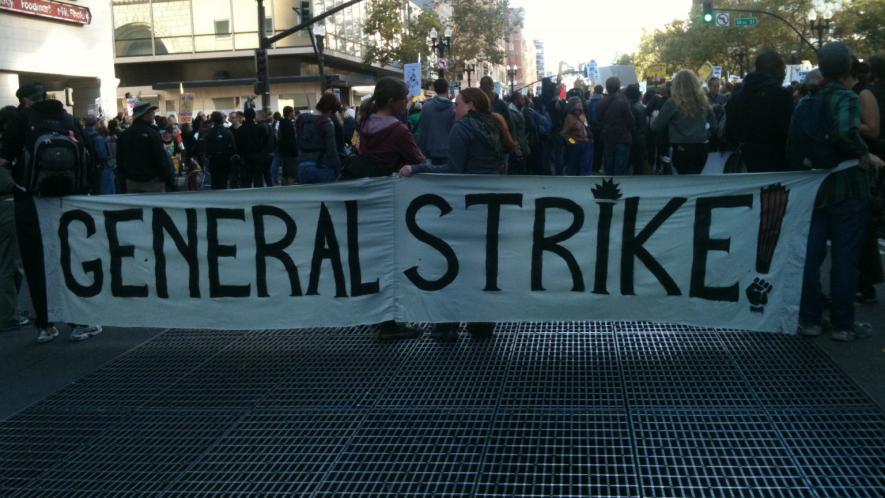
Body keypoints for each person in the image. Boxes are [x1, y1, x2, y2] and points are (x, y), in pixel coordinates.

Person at [790, 42, 885, 342]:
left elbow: (794, 144)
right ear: (847, 68)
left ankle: (810, 319)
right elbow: (846, 132)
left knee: (811, 256)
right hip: (848, 188)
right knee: (845, 257)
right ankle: (843, 325)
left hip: (814, 188)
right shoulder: (846, 98)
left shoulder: (807, 101)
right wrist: (864, 154)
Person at [400, 87, 502, 341]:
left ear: (471, 105)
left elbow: (453, 169)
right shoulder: (495, 126)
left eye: (458, 104)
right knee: (481, 266)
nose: (454, 109)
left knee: (451, 264)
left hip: (463, 206)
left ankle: (447, 324)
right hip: (489, 206)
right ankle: (482, 322)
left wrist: (417, 169)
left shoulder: (462, 129)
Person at [0, 83, 96, 342]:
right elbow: (89, 156)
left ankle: (45, 324)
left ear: (26, 100)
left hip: (30, 201)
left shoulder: (22, 120)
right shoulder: (68, 120)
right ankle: (78, 322)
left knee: (35, 263)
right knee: (69, 259)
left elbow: (4, 160)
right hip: (67, 201)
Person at [357, 77, 425, 340]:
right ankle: (390, 323)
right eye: (403, 98)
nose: (406, 103)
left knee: (376, 260)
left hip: (369, 200)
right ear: (391, 101)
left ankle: (378, 316)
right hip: (393, 202)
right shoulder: (398, 131)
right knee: (395, 261)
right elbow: (418, 160)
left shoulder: (365, 124)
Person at [849, 58, 883, 304]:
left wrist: (844, 121)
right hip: (867, 161)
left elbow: (872, 129)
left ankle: (866, 283)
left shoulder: (864, 93)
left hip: (872, 162)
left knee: (865, 225)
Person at [725, 51, 794, 172]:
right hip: (777, 164)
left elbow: (730, 132)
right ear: (775, 69)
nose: (784, 74)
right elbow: (790, 132)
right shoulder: (781, 95)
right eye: (783, 70)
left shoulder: (737, 97)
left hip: (746, 163)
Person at [651, 70, 717, 175]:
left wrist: (654, 117)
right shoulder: (704, 101)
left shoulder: (673, 102)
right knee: (695, 177)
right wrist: (705, 135)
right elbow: (714, 126)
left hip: (681, 148)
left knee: (682, 179)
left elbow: (656, 126)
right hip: (702, 147)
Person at [117, 101, 170, 193]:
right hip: (153, 183)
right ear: (145, 114)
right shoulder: (152, 133)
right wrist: (164, 177)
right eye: (152, 112)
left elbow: (119, 159)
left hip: (131, 182)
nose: (154, 114)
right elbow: (160, 158)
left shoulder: (125, 134)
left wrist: (126, 177)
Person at [295, 93, 342, 184]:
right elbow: (332, 151)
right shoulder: (327, 124)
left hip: (302, 166)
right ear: (329, 110)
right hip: (321, 167)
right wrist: (338, 170)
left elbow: (298, 143)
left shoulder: (301, 119)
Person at [597, 77, 634, 175]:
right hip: (622, 138)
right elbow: (630, 120)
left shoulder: (601, 102)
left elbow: (599, 120)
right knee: (620, 168)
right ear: (618, 87)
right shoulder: (623, 101)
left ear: (607, 87)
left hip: (608, 138)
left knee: (609, 166)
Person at [417, 78, 455, 166]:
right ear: (447, 89)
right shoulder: (454, 108)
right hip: (449, 152)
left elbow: (423, 130)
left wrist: (421, 152)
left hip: (430, 151)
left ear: (435, 89)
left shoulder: (426, 107)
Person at [201, 111, 237, 189]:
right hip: (225, 159)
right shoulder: (228, 132)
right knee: (224, 180)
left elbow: (206, 148)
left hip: (213, 159)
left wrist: (208, 156)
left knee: (214, 181)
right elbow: (233, 147)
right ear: (222, 119)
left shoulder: (209, 132)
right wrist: (230, 156)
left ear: (213, 120)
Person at [561, 97, 593, 175]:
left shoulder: (582, 115)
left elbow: (586, 127)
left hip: (586, 144)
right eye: (577, 102)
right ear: (573, 105)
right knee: (574, 168)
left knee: (585, 168)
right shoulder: (569, 117)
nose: (580, 104)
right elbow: (564, 134)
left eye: (580, 102)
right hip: (576, 145)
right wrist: (573, 142)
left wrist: (590, 138)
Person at [625, 84, 650, 175]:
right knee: (638, 167)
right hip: (640, 140)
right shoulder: (641, 107)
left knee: (626, 165)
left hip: (630, 139)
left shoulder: (628, 107)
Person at [277, 106, 298, 185]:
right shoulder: (288, 123)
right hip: (290, 153)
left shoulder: (281, 123)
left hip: (283, 152)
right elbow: (290, 139)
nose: (294, 114)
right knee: (291, 174)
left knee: (285, 173)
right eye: (293, 112)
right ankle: (291, 189)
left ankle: (284, 189)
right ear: (290, 113)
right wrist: (294, 151)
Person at [586, 85, 605, 173]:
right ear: (602, 91)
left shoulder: (588, 102)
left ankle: (591, 165)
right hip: (601, 128)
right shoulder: (604, 101)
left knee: (591, 147)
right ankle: (597, 167)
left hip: (590, 128)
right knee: (600, 148)